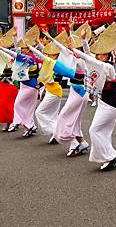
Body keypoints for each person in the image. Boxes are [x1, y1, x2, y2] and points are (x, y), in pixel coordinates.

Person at [72, 24, 116, 171]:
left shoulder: (109, 67)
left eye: (101, 53)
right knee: (103, 132)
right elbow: (88, 56)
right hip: (103, 103)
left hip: (111, 105)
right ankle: (110, 155)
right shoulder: (98, 64)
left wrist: (75, 49)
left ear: (106, 55)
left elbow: (91, 59)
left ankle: (109, 156)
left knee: (94, 130)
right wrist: (83, 40)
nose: (97, 55)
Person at [46, 28, 90, 157]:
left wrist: (83, 39)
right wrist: (49, 36)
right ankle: (81, 143)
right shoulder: (72, 56)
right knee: (74, 120)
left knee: (64, 117)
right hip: (74, 91)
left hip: (80, 92)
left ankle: (74, 143)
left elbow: (85, 50)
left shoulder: (84, 59)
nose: (69, 47)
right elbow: (61, 47)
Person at [30, 33, 66, 144]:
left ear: (55, 55)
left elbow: (42, 54)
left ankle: (55, 132)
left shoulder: (54, 62)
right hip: (53, 90)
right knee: (53, 114)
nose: (48, 54)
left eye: (51, 54)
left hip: (54, 91)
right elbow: (44, 52)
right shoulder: (52, 61)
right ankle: (55, 135)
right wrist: (38, 42)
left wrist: (31, 46)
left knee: (39, 112)